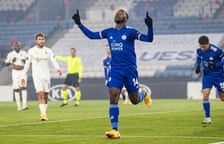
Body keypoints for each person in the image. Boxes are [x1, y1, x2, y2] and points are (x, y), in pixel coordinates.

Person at [72, 9, 153, 139]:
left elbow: (149, 39)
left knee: (135, 100)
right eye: (117, 13)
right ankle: (115, 129)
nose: (118, 14)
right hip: (115, 70)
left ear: (126, 18)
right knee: (113, 95)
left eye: (121, 13)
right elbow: (92, 35)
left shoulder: (131, 32)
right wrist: (79, 24)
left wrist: (150, 26)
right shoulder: (109, 32)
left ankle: (144, 94)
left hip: (130, 70)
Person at [195, 35, 224, 124]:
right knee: (205, 95)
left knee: (223, 97)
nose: (202, 48)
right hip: (207, 76)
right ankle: (208, 118)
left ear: (208, 44)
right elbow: (198, 58)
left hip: (219, 76)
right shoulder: (199, 51)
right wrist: (197, 66)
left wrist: (216, 65)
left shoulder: (216, 51)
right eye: (201, 46)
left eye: (204, 47)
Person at [23, 32, 62, 121]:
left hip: (46, 75)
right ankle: (43, 114)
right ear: (36, 40)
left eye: (42, 39)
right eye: (39, 39)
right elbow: (27, 63)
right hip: (37, 76)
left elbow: (53, 60)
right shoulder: (31, 51)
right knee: (40, 94)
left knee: (45, 95)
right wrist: (23, 74)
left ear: (44, 40)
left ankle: (44, 112)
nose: (41, 41)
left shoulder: (48, 50)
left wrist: (58, 68)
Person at [5, 41, 28, 111]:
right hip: (15, 72)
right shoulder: (11, 54)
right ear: (13, 47)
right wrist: (12, 61)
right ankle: (19, 106)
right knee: (16, 89)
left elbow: (28, 62)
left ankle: (24, 105)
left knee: (24, 87)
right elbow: (6, 63)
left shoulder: (24, 53)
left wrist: (24, 61)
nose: (17, 47)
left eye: (18, 45)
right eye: (15, 46)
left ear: (20, 46)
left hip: (22, 72)